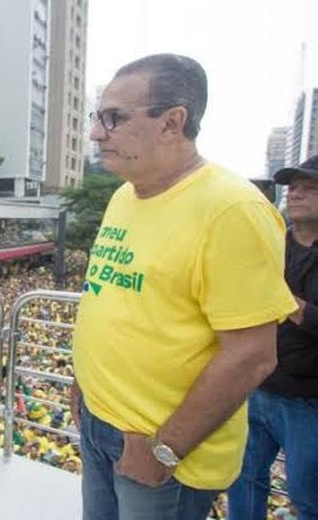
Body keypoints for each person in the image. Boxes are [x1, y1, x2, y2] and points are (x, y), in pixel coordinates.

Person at [70, 53, 296, 520]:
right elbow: (112, 298)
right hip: (97, 423)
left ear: (173, 122)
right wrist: (83, 386)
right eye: (98, 116)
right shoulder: (123, 195)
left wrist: (164, 451)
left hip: (160, 452)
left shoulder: (232, 210)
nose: (96, 132)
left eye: (113, 118)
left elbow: (251, 354)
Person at [227, 155, 318, 519]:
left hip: (307, 399)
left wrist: (289, 304)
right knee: (243, 478)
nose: (295, 194)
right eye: (292, 187)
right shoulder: (271, 240)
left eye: (309, 188)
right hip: (257, 385)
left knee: (307, 497)